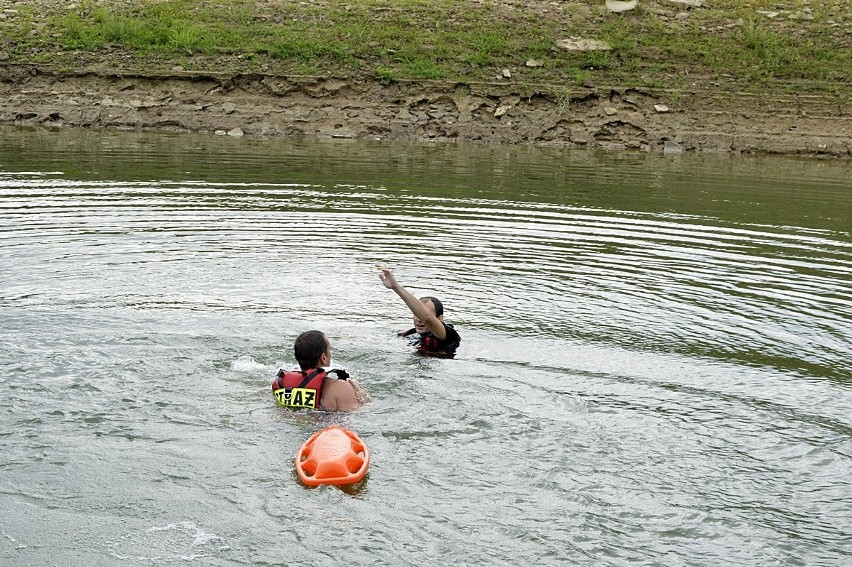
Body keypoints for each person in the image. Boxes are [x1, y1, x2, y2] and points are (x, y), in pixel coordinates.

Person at [377, 264, 461, 356]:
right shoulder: (410, 335)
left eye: (422, 314)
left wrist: (396, 287)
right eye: (416, 314)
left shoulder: (448, 335)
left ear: (440, 319)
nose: (419, 319)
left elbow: (428, 319)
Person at [272, 330, 365, 411]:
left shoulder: (280, 385)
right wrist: (361, 398)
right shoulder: (340, 388)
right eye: (329, 350)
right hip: (326, 428)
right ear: (323, 358)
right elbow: (357, 417)